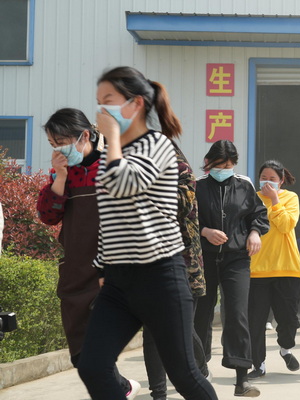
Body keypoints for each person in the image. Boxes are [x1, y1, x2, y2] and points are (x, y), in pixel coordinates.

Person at [76, 66, 217, 400]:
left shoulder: (157, 145)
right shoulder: (113, 153)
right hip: (118, 281)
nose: (101, 110)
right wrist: (102, 267)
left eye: (108, 99)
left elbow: (124, 183)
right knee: (92, 365)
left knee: (184, 374)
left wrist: (110, 141)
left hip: (160, 276)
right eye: (98, 101)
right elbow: (110, 216)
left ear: (136, 103)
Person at [36, 108, 141, 399]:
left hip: (111, 271)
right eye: (52, 144)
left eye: (62, 142)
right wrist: (59, 177)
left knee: (99, 354)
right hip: (75, 272)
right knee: (81, 356)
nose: (58, 150)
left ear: (84, 136)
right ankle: (123, 388)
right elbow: (48, 216)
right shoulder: (62, 173)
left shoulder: (113, 166)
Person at [194, 139, 269, 397]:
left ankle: (241, 379)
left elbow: (258, 214)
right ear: (208, 162)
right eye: (218, 165)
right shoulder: (197, 186)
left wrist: (255, 232)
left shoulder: (244, 185)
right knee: (201, 314)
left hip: (236, 259)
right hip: (204, 258)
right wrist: (205, 231)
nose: (223, 170)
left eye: (228, 166)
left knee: (237, 314)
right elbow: (185, 219)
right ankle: (200, 369)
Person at [142, 139, 209, 400]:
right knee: (152, 330)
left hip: (183, 265)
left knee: (181, 330)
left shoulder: (183, 175)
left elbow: (181, 204)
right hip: (148, 265)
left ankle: (200, 373)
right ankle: (158, 393)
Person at [248, 160, 300, 379]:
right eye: (264, 178)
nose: (267, 182)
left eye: (272, 179)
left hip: (287, 268)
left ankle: (285, 349)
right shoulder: (251, 198)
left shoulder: (291, 197)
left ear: (281, 181)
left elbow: (286, 225)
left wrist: (275, 200)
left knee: (288, 319)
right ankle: (258, 364)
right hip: (257, 270)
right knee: (256, 322)